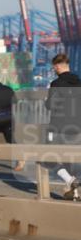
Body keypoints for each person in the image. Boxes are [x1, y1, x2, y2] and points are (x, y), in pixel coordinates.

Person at [44, 53, 80, 200]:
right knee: (71, 159)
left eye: (54, 67)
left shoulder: (56, 84)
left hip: (59, 128)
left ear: (58, 66)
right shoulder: (79, 82)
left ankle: (71, 181)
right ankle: (74, 192)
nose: (54, 69)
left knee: (46, 158)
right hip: (77, 127)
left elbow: (50, 105)